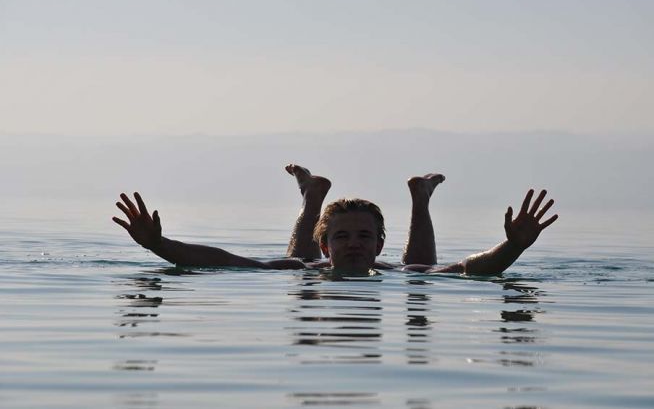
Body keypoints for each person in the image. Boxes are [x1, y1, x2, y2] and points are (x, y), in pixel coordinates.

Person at [112, 164, 557, 275]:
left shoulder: (386, 268)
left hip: (398, 272)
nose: (355, 244)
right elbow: (224, 259)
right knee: (296, 273)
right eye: (342, 237)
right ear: (326, 246)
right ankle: (313, 199)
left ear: (379, 245)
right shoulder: (305, 265)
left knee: (418, 276)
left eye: (365, 236)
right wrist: (159, 244)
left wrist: (514, 246)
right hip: (308, 274)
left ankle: (419, 198)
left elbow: (464, 269)